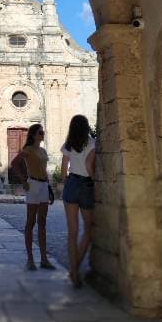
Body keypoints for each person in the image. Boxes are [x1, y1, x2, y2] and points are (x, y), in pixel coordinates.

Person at [10, 123, 56, 271]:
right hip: (33, 185)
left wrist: (49, 188)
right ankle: (30, 259)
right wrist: (23, 180)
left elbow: (44, 169)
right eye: (41, 133)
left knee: (42, 222)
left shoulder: (43, 150)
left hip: (43, 186)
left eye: (43, 132)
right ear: (34, 135)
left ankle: (44, 259)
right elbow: (14, 163)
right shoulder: (28, 150)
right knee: (30, 222)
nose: (43, 135)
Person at [61, 114, 95, 288]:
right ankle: (75, 268)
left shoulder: (68, 144)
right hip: (86, 185)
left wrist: (66, 184)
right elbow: (90, 167)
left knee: (72, 232)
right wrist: (95, 180)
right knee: (88, 229)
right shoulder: (91, 143)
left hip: (72, 183)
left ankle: (73, 271)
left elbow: (63, 170)